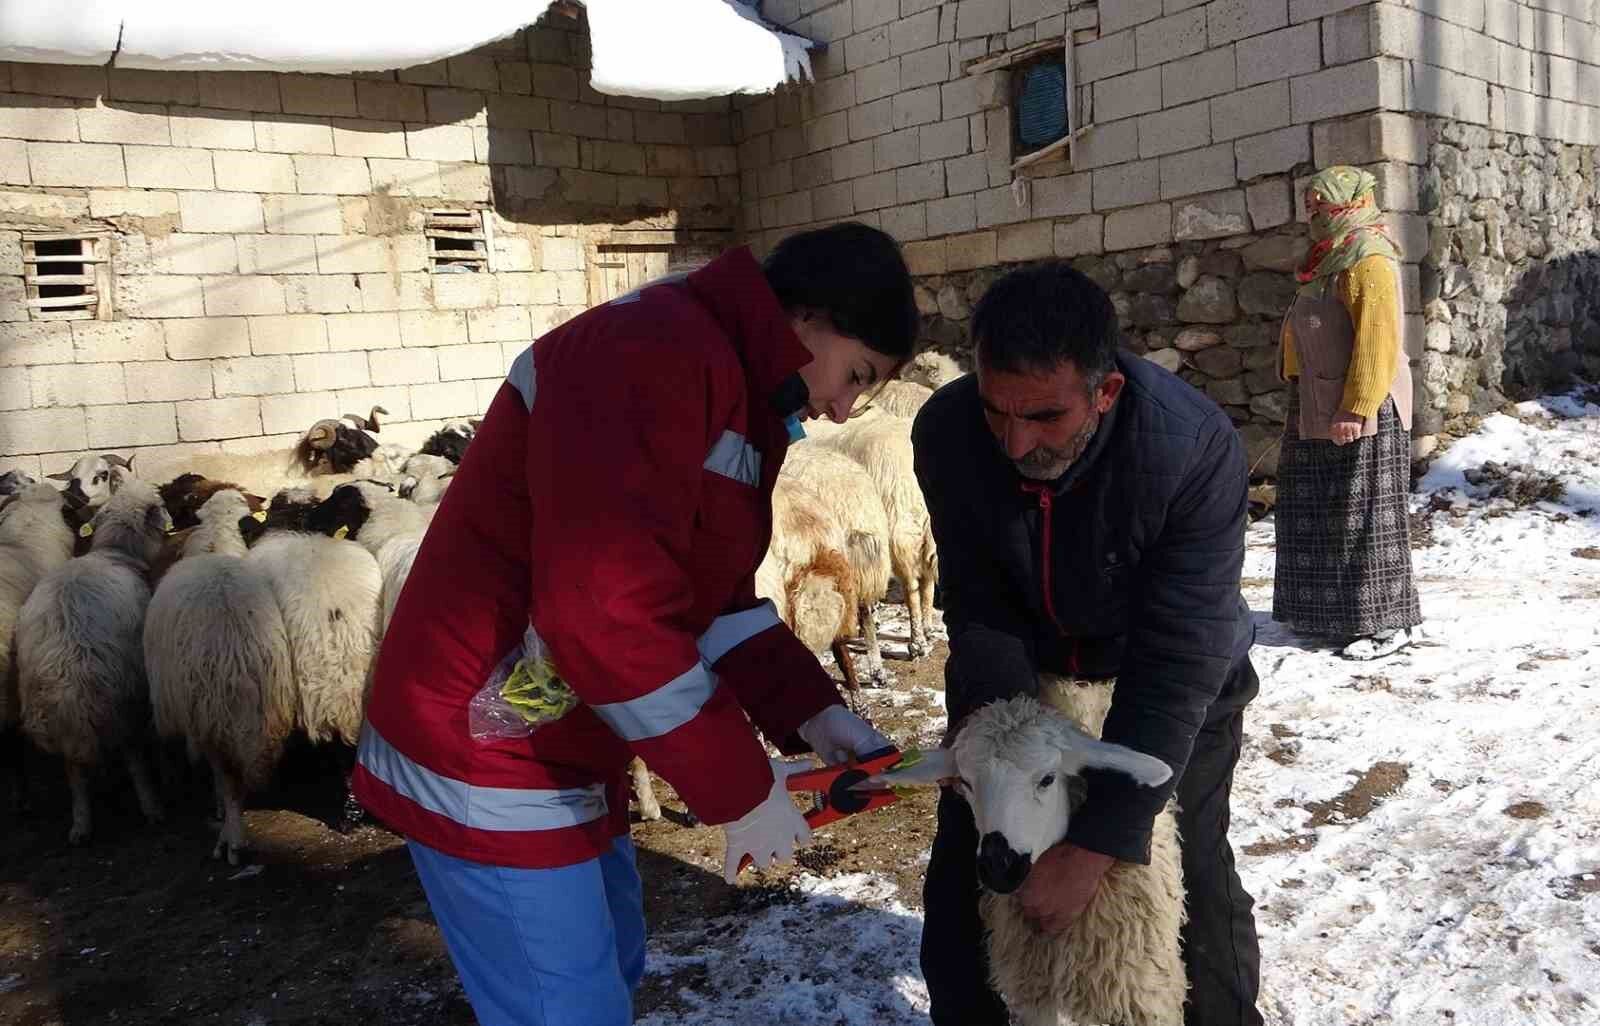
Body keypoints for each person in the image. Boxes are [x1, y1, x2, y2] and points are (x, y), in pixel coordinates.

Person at [351, 222, 917, 1026]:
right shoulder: (649, 354)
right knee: (566, 1008)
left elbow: (707, 598)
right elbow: (602, 610)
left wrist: (811, 711)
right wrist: (736, 786)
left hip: (558, 730)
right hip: (483, 745)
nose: (841, 409)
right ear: (808, 317)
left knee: (608, 967)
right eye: (855, 375)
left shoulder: (733, 389)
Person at [912, 262, 1264, 1026]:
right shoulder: (946, 432)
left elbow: (1179, 649)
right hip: (1029, 679)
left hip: (1170, 678)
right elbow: (977, 596)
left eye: (1043, 417)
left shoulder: (1190, 447)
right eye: (995, 411)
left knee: (1191, 880)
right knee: (964, 893)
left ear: (1104, 393)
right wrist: (992, 728)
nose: (1013, 442)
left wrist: (1102, 838)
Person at [1273, 165, 1422, 661]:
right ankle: (1330, 616)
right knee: (1318, 508)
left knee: (1367, 517)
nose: (1313, 213)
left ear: (1350, 205)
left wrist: (1355, 408)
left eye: (1321, 205)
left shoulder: (1369, 259)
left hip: (1364, 406)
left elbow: (1379, 343)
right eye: (1310, 205)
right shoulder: (1329, 259)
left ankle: (1388, 622)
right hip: (1318, 400)